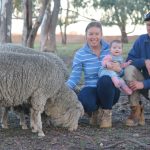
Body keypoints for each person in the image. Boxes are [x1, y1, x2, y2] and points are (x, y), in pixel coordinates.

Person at [66, 21, 123, 128]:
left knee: (105, 79)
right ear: (86, 35)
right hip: (91, 88)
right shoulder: (80, 54)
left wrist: (119, 70)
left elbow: (121, 70)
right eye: (90, 34)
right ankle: (95, 112)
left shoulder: (110, 49)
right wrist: (63, 88)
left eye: (97, 34)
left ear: (101, 35)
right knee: (84, 100)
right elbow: (74, 77)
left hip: (110, 90)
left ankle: (106, 114)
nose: (94, 37)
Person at [124, 12, 150, 127]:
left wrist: (143, 84)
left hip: (145, 84)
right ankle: (136, 110)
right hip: (143, 81)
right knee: (129, 70)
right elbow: (129, 60)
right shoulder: (141, 40)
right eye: (148, 25)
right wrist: (144, 61)